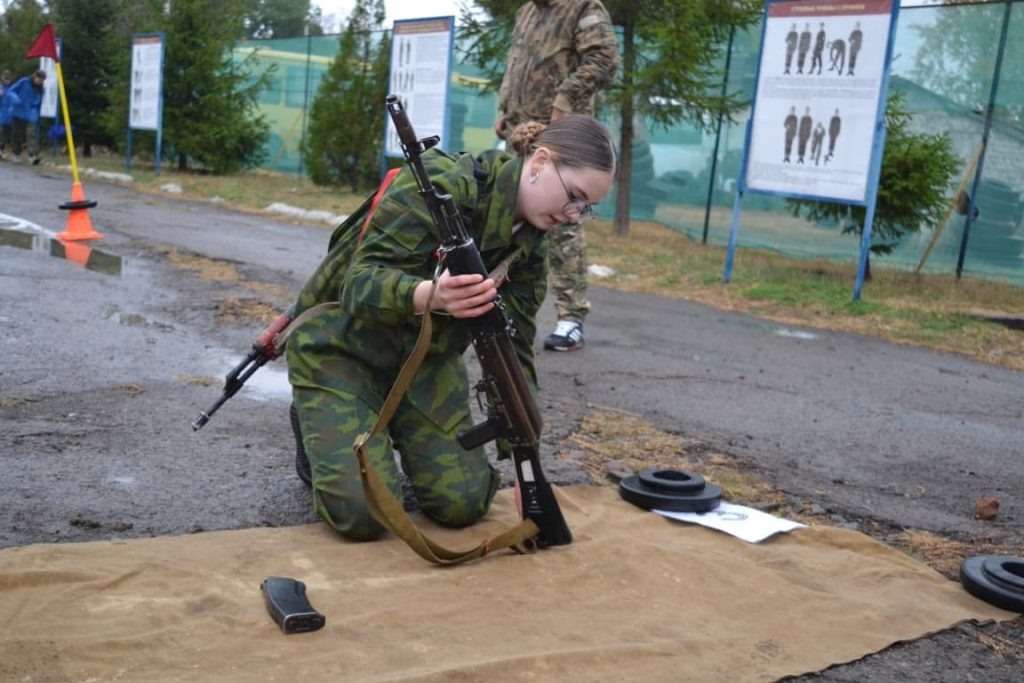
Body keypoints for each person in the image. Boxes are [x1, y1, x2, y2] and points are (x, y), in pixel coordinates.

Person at [287, 115, 617, 541]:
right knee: (364, 514)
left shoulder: (530, 245)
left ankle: (389, 437)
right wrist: (431, 296)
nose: (574, 216)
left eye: (585, 208)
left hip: (425, 363)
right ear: (539, 161)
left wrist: (524, 455)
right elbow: (359, 284)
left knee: (465, 503)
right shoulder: (441, 185)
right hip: (346, 351)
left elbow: (513, 343)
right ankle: (322, 429)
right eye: (574, 196)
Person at [493, 0, 619, 352]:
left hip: (561, 136)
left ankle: (571, 317)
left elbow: (604, 59)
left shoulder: (582, 8)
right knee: (507, 215)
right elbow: (517, 61)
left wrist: (566, 97)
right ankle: (499, 303)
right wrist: (504, 106)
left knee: (564, 221)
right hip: (521, 131)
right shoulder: (527, 12)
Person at [8, 69, 46, 165]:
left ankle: (32, 156)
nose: (39, 81)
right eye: (38, 78)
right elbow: (11, 91)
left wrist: (37, 114)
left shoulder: (41, 89)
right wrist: (15, 98)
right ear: (34, 76)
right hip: (18, 111)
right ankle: (16, 154)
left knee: (31, 134)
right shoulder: (24, 81)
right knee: (17, 134)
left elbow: (39, 103)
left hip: (31, 114)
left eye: (41, 80)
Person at [0, 68, 14, 161]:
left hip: (9, 115)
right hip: (1, 113)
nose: (7, 80)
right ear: (2, 78)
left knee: (5, 135)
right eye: (5, 78)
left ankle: (1, 149)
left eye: (8, 78)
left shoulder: (13, 88)